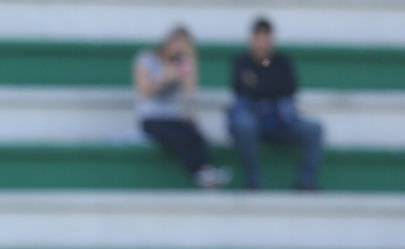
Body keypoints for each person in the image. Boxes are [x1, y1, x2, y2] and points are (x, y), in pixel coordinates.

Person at [228, 17, 324, 191]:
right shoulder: (241, 61)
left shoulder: (281, 61)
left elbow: (290, 87)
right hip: (253, 120)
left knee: (314, 129)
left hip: (280, 120)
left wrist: (258, 84)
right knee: (243, 124)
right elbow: (240, 87)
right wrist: (270, 86)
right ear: (252, 39)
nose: (262, 43)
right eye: (259, 38)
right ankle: (253, 180)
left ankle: (306, 181)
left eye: (266, 38)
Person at [135, 26, 230, 189]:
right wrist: (164, 77)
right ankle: (199, 172)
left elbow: (191, 91)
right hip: (152, 117)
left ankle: (206, 170)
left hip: (173, 117)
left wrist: (190, 62)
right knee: (179, 136)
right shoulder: (147, 58)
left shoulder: (181, 64)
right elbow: (143, 90)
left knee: (195, 134)